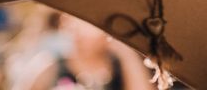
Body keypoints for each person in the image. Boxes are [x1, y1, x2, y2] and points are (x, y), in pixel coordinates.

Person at [22, 14, 154, 90]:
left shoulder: (121, 67)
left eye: (88, 25)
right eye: (73, 23)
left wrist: (126, 53)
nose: (79, 31)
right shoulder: (50, 68)